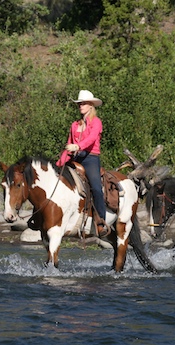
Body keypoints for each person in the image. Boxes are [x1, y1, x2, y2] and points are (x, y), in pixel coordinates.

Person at [57, 90, 110, 237]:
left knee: (96, 188)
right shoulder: (75, 125)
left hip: (90, 157)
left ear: (91, 105)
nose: (81, 105)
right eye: (79, 103)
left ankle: (101, 222)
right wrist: (59, 163)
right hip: (75, 157)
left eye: (84, 103)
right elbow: (69, 145)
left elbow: (92, 139)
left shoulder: (96, 122)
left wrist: (78, 146)